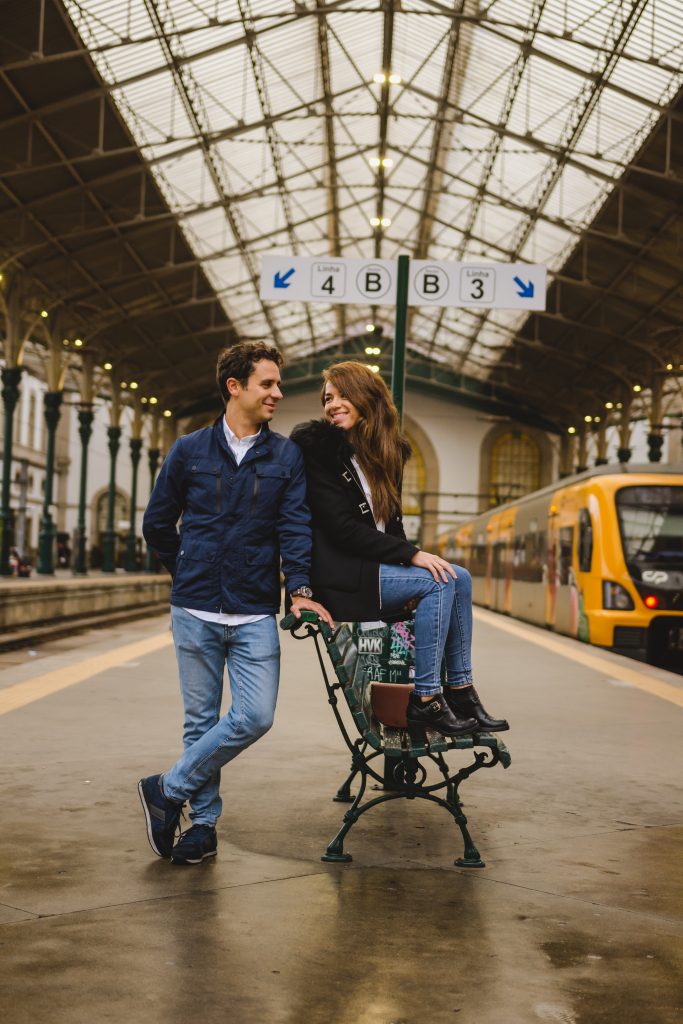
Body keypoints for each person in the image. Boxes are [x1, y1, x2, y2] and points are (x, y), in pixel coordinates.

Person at [140, 341, 333, 865]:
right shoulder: (189, 451)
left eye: (276, 383)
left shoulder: (285, 456)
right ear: (235, 387)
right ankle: (203, 827)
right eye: (267, 383)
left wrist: (300, 590)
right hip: (196, 610)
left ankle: (167, 787)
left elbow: (295, 527)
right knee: (200, 721)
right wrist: (188, 569)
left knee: (254, 716)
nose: (277, 392)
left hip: (253, 611)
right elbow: (157, 523)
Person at [290, 361, 508, 743]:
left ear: (367, 399)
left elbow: (392, 526)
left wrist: (409, 556)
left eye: (343, 395)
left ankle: (461, 691)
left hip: (372, 570)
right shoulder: (318, 451)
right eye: (328, 398)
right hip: (342, 575)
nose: (333, 404)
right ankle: (428, 698)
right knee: (438, 583)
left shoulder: (384, 456)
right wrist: (413, 557)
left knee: (460, 577)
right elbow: (342, 531)